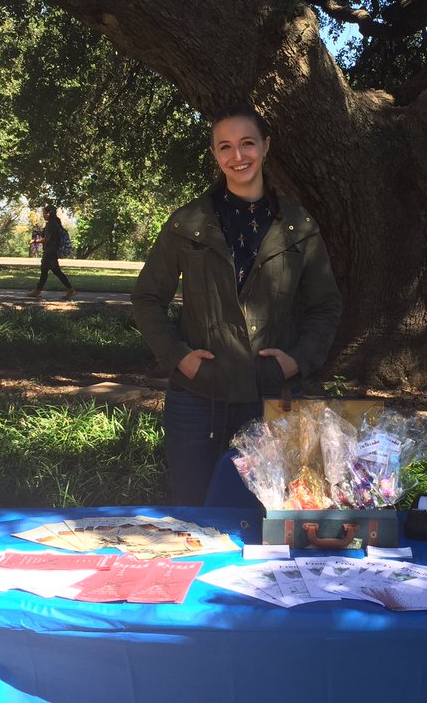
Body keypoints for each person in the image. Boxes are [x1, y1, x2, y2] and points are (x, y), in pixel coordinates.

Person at [132, 103, 342, 505]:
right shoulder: (186, 223)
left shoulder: (299, 227)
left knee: (270, 514)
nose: (237, 155)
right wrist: (179, 357)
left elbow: (325, 305)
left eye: (247, 143)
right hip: (197, 396)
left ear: (265, 146)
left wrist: (298, 359)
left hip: (273, 395)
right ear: (215, 154)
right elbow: (146, 298)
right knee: (192, 512)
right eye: (225, 146)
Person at [27, 204, 76, 300]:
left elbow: (46, 240)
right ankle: (70, 290)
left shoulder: (51, 224)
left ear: (49, 213)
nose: (43, 215)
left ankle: (37, 291)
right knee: (55, 271)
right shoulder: (55, 223)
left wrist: (35, 241)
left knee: (45, 271)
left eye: (44, 213)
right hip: (52, 251)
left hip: (50, 252)